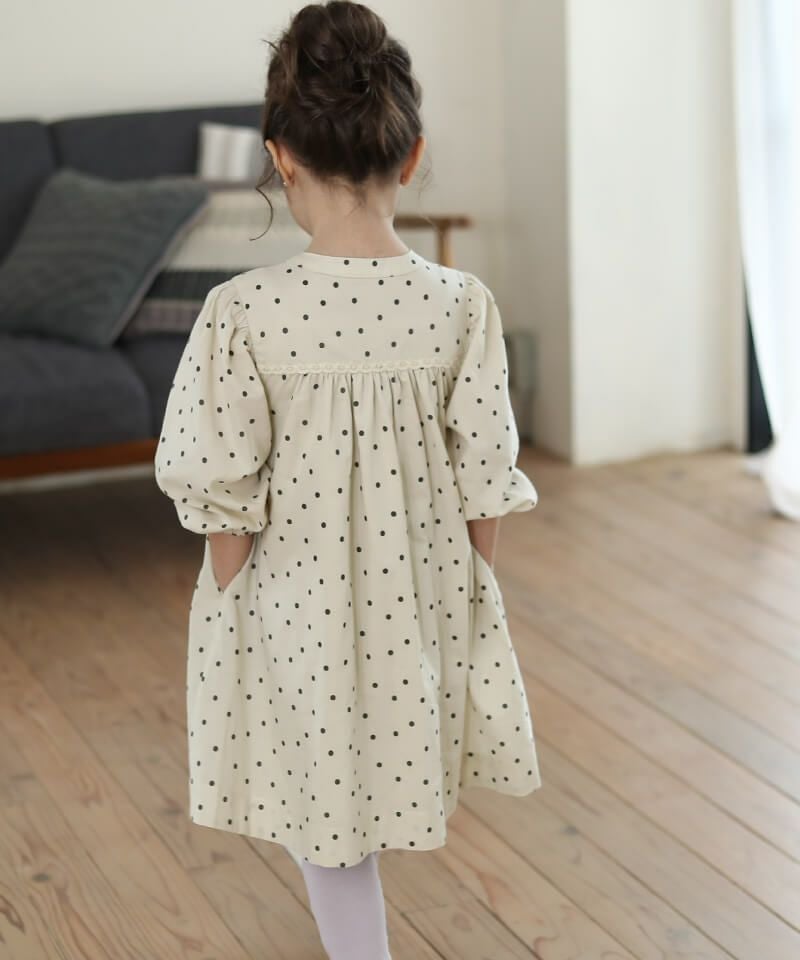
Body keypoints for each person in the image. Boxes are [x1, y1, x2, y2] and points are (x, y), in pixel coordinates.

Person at [153, 2, 542, 957]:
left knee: (322, 807)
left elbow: (220, 489)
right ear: (413, 157)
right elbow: (485, 475)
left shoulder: (243, 310)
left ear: (280, 160)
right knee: (374, 785)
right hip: (425, 599)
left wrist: (237, 610)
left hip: (292, 607)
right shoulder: (462, 303)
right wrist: (463, 590)